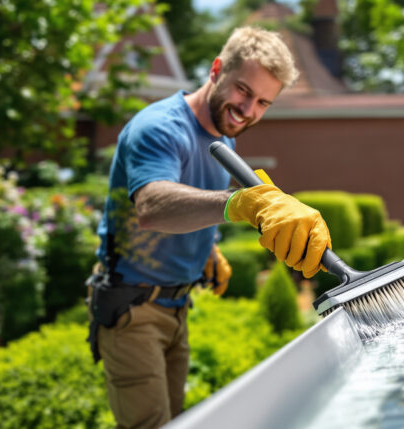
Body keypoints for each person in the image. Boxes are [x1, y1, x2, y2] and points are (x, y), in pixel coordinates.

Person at [87, 26, 331, 429]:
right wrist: (238, 202)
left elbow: (193, 205)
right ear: (217, 69)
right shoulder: (160, 127)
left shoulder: (224, 138)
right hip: (132, 308)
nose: (248, 109)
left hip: (177, 307)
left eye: (263, 103)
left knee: (178, 421)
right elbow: (152, 205)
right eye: (243, 90)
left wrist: (208, 247)